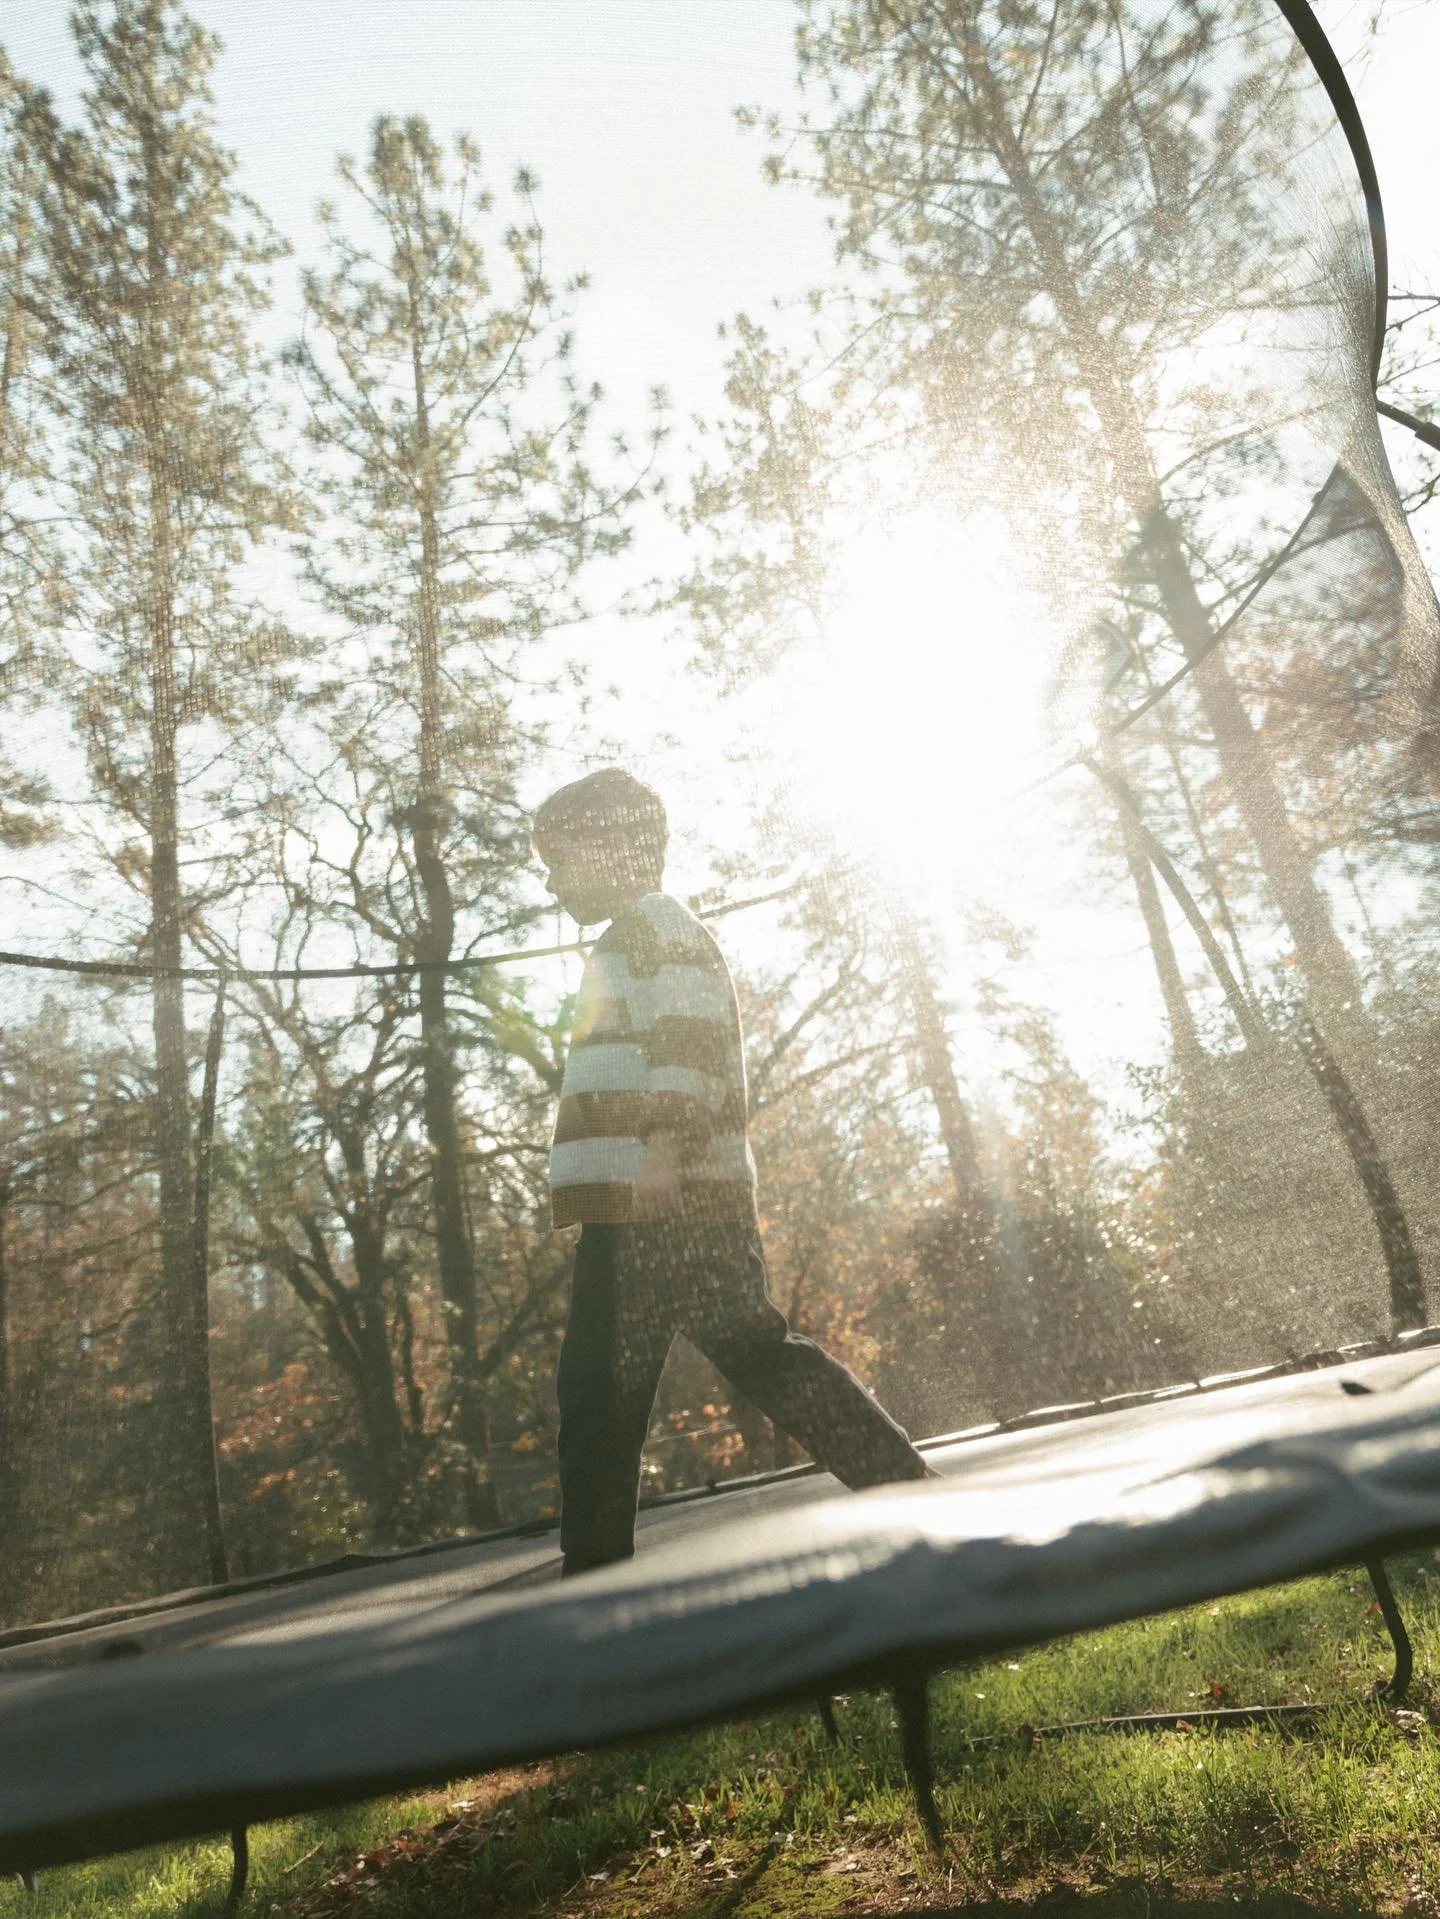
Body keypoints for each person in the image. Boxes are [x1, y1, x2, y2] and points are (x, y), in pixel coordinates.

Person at [532, 766, 932, 1576]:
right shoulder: (636, 934)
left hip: (659, 1205)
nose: (551, 881)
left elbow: (687, 1039)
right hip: (647, 1207)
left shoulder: (653, 926)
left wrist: (662, 1149)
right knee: (727, 1359)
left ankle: (593, 1569)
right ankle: (903, 1486)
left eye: (559, 860)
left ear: (611, 850)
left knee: (610, 1382)